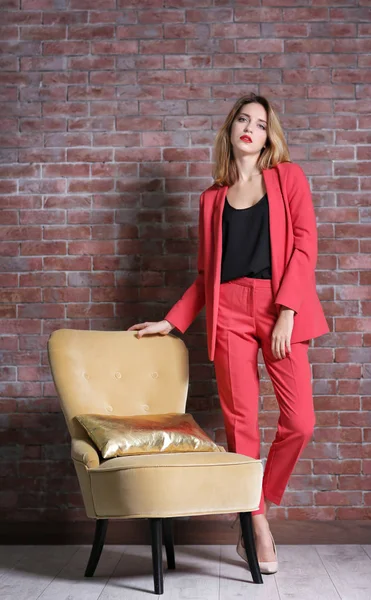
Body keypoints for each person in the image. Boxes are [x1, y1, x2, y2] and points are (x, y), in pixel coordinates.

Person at [128, 93, 330, 573]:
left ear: (268, 137)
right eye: (243, 119)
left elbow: (305, 248)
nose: (250, 128)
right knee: (242, 428)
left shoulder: (288, 178)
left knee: (300, 422)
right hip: (230, 315)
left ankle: (254, 498)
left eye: (260, 124)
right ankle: (255, 523)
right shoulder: (211, 199)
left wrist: (287, 312)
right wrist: (172, 321)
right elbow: (205, 275)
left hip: (279, 305)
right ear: (230, 130)